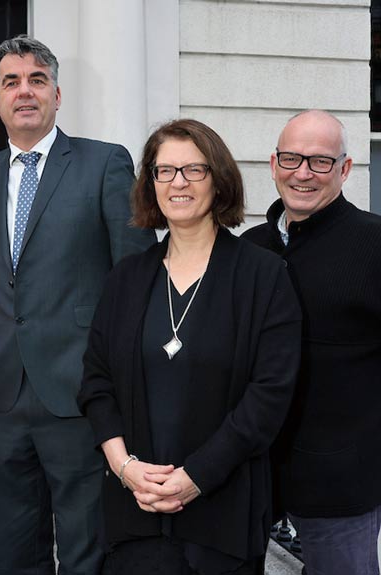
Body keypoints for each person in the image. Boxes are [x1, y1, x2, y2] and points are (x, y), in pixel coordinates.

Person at [0, 35, 156, 574]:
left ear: (58, 95)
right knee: (16, 552)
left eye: (37, 80)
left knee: (88, 549)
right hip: (0, 399)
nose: (25, 92)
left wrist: (114, 380)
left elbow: (132, 281)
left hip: (79, 396)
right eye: (11, 82)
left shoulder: (104, 164)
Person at [77, 119, 302, 574]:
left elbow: (269, 396)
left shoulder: (263, 276)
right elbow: (96, 383)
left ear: (218, 182)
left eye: (194, 170)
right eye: (165, 171)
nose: (178, 183)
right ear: (151, 184)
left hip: (223, 515)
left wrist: (196, 478)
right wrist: (125, 468)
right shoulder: (127, 278)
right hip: (134, 512)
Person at [242, 109, 381, 575]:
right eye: (291, 158)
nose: (302, 172)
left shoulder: (374, 244)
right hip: (253, 472)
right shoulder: (250, 247)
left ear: (345, 169)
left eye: (320, 162)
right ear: (273, 163)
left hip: (342, 485)